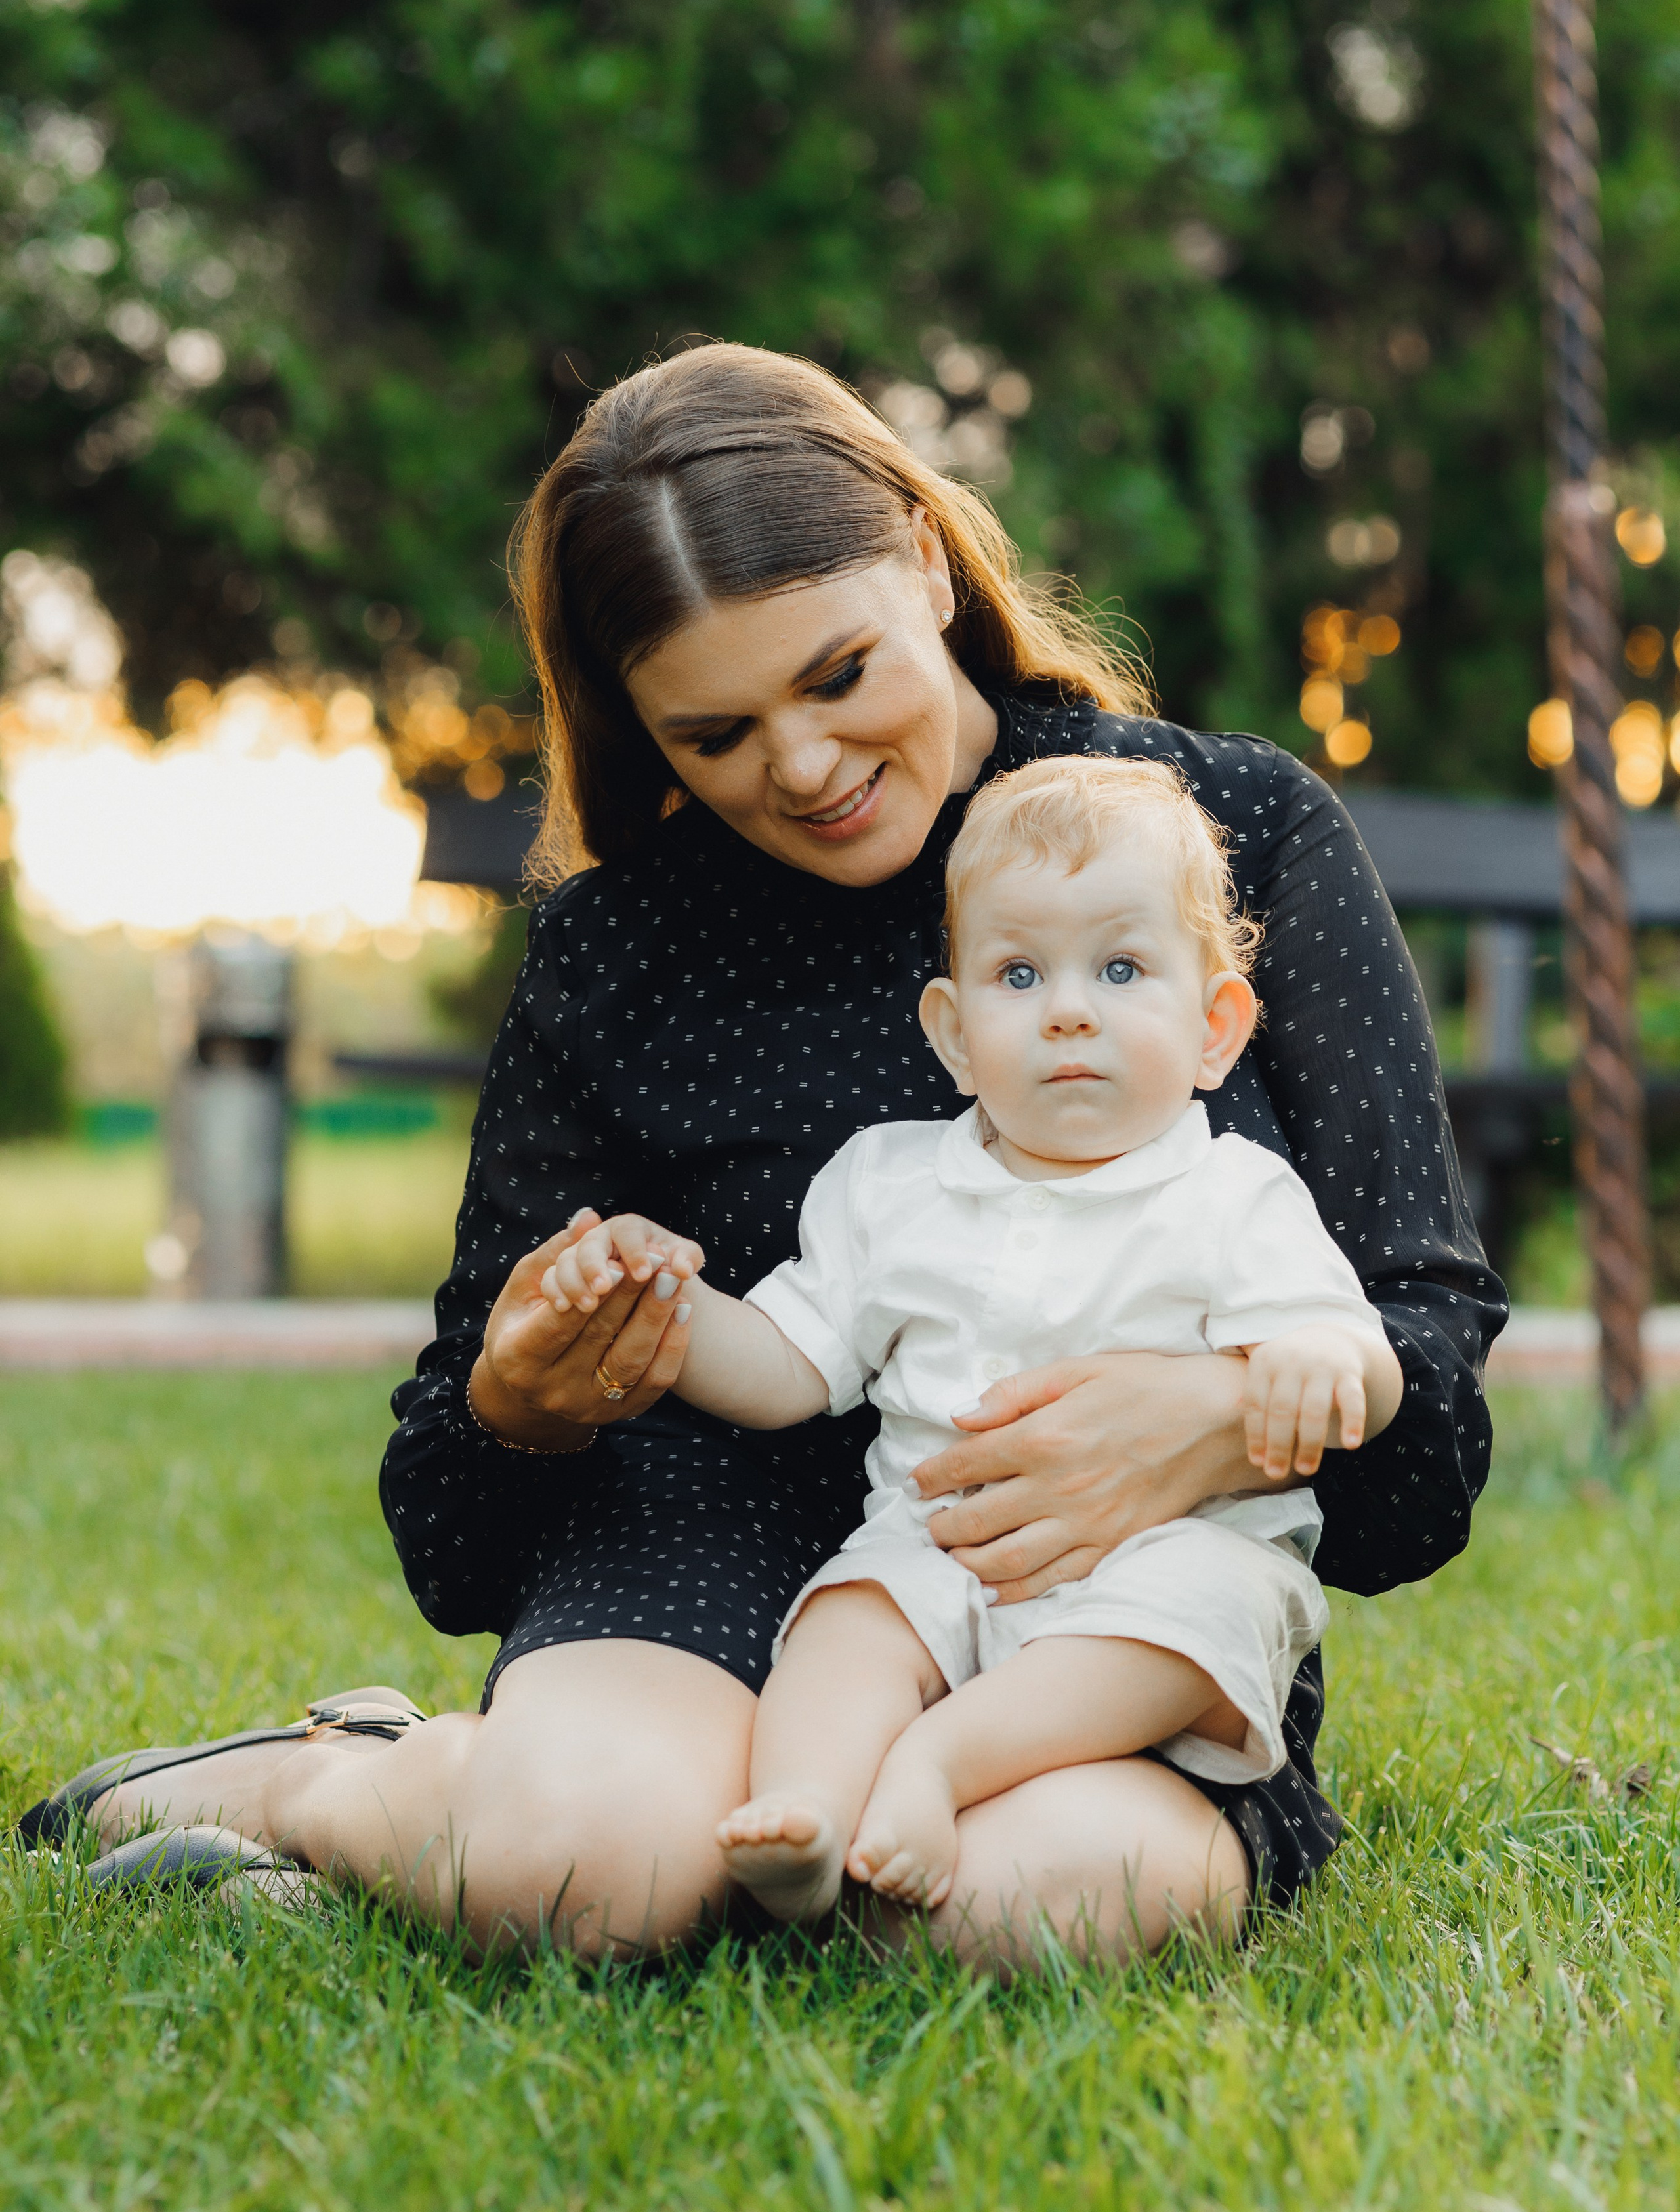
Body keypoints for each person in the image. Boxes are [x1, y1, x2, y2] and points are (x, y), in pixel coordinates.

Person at [22, 343, 1503, 1967]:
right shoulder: (621, 950)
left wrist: (1212, 1424)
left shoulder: (1215, 836)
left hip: (1108, 1586)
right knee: (586, 1880)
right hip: (707, 1538)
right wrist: (525, 1394)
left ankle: (724, 1829)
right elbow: (451, 1525)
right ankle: (338, 1783)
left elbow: (1422, 1398)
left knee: (1024, 1905)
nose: (798, 766)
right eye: (715, 733)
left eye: (838, 674)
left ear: (926, 563)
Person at [535, 755, 1402, 1923]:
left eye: (1122, 968)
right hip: (945, 1542)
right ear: (953, 1033)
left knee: (1193, 1618)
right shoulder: (890, 1184)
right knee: (849, 1622)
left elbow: (1361, 1359)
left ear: (1215, 1029)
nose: (1069, 1009)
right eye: (1019, 973)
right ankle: (802, 1813)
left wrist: (1323, 1361)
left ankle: (937, 1765)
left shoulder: (1232, 1194)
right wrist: (672, 1315)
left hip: (1167, 1560)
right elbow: (791, 1366)